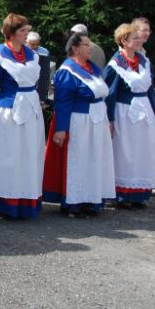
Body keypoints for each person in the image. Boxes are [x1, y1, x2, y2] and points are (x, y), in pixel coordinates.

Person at [0, 14, 45, 219]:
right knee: (10, 157)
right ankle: (8, 202)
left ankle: (27, 201)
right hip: (8, 112)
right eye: (22, 31)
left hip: (31, 108)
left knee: (29, 154)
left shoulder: (32, 54)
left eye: (27, 30)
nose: (27, 34)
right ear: (11, 33)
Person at [43, 32, 115, 217]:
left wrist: (106, 119)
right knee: (79, 163)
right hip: (80, 122)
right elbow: (63, 102)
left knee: (94, 161)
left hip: (96, 122)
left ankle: (92, 199)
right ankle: (74, 203)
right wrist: (60, 129)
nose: (90, 47)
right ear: (75, 48)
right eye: (86, 45)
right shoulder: (67, 72)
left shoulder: (93, 68)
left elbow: (101, 94)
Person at [104, 23, 155, 208]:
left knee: (144, 151)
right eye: (135, 38)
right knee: (126, 152)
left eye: (139, 37)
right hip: (124, 112)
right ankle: (122, 194)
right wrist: (109, 118)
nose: (139, 41)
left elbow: (150, 89)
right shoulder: (116, 64)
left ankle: (140, 194)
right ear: (124, 41)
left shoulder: (144, 61)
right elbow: (110, 93)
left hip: (145, 111)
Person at [27, 31, 52, 105]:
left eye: (37, 44)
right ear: (27, 42)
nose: (35, 47)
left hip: (40, 84)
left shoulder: (44, 52)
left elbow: (47, 73)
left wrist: (49, 95)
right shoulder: (22, 50)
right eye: (32, 44)